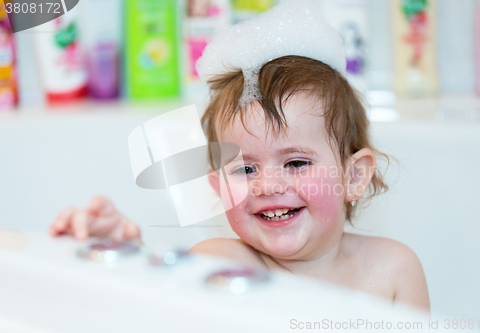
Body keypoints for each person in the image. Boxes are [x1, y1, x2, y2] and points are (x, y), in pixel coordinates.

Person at [49, 1, 430, 313]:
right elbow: (156, 309)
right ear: (219, 187)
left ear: (354, 176)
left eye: (296, 162)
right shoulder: (220, 264)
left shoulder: (394, 271)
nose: (266, 185)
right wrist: (125, 256)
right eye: (245, 169)